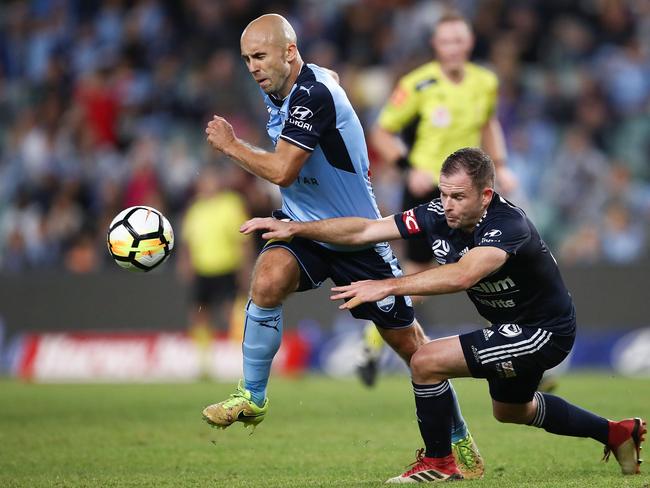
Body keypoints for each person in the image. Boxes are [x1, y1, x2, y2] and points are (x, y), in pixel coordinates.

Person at [241, 147, 646, 482]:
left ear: (485, 196)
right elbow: (365, 231)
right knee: (510, 411)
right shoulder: (436, 213)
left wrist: (386, 285)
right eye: (444, 194)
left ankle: (439, 462)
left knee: (426, 361)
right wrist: (299, 229)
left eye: (458, 197)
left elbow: (464, 274)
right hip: (511, 327)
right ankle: (615, 432)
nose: (446, 206)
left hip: (544, 331)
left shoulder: (509, 226)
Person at [201, 14, 484, 479]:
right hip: (303, 230)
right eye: (247, 58)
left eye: (260, 56)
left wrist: (231, 146)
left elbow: (283, 170)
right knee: (267, 279)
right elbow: (325, 80)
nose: (252, 67)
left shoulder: (312, 95)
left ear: (289, 52)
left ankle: (456, 434)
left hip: (357, 236)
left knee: (413, 349)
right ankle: (252, 396)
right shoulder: (285, 87)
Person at [360, 11, 518, 386]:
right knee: (420, 275)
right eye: (445, 41)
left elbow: (488, 124)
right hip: (429, 187)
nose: (452, 48)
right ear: (435, 46)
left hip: (476, 193)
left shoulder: (485, 81)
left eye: (458, 40)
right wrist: (407, 167)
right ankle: (372, 342)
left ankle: (517, 349)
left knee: (494, 267)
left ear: (469, 43)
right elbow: (381, 132)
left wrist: (502, 164)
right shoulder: (419, 84)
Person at [178, 164, 252, 375]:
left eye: (211, 181)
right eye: (204, 181)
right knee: (199, 314)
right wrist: (186, 262)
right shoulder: (195, 208)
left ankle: (242, 358)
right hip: (203, 269)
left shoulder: (231, 204)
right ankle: (204, 362)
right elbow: (187, 241)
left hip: (227, 266)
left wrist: (246, 267)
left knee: (233, 312)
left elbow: (244, 239)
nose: (208, 185)